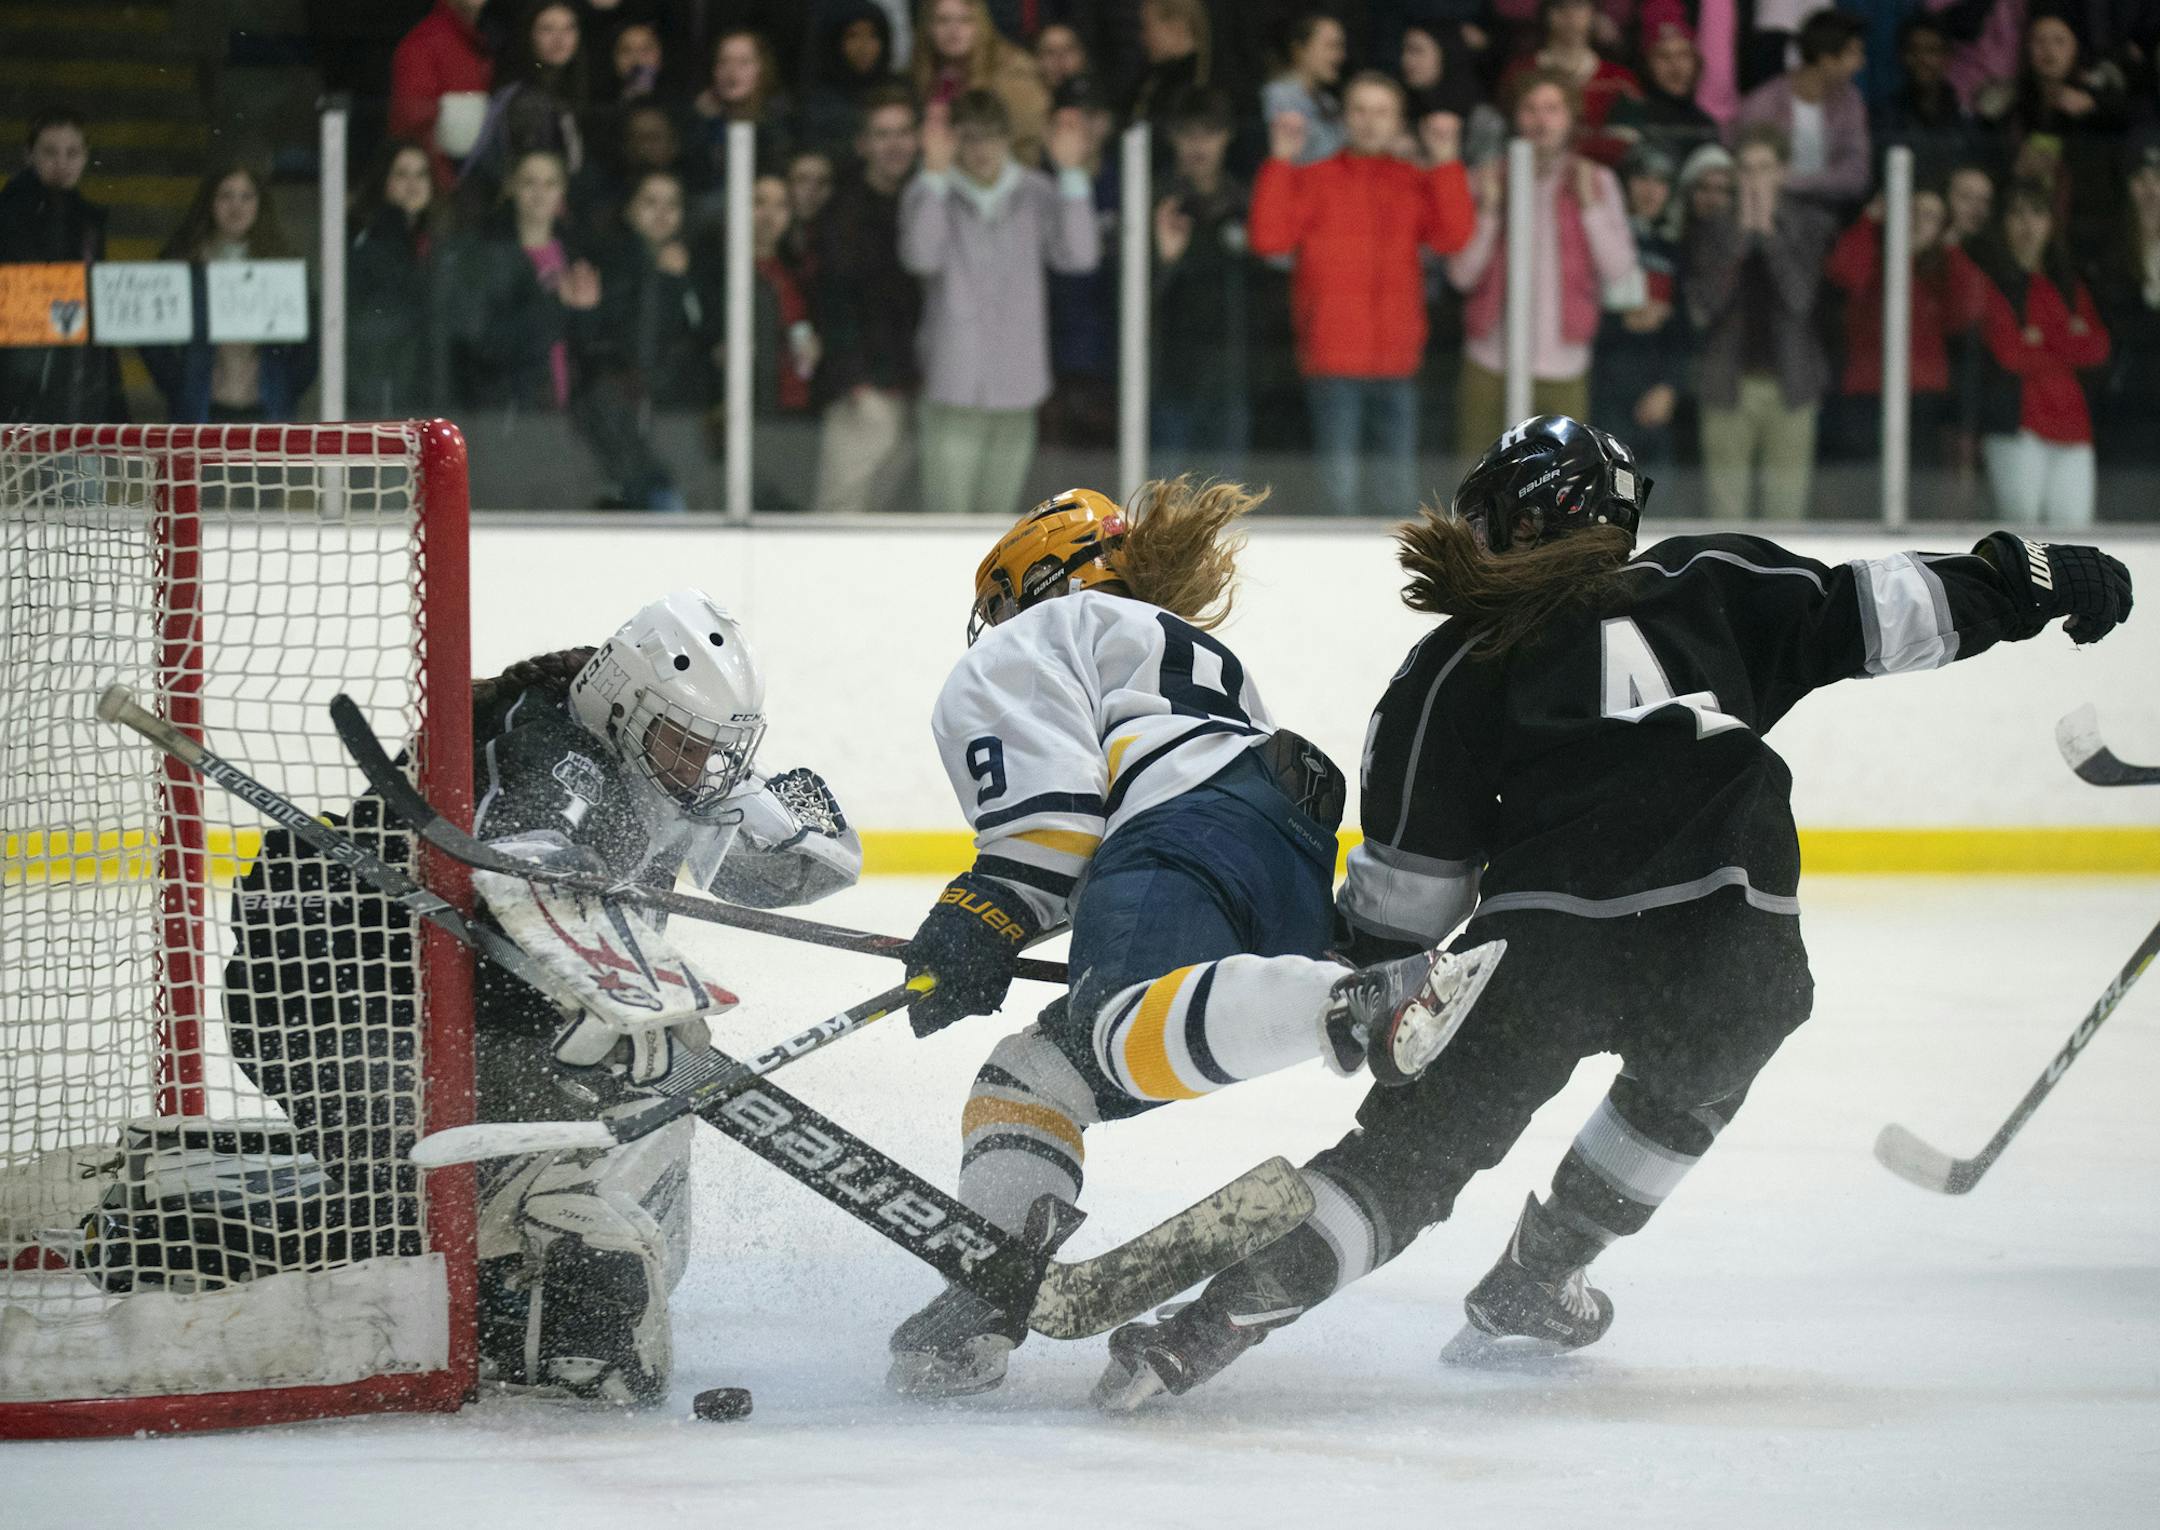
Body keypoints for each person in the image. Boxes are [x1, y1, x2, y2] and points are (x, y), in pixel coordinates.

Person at [1089, 413, 2135, 1410]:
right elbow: (1889, 608)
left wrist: (1341, 971)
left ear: (1498, 521)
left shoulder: (1451, 667)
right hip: (1734, 937)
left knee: (1406, 1166)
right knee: (1690, 1085)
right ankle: (1542, 1275)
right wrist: (2028, 578)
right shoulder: (1711, 582)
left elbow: (1412, 903)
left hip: (1538, 953)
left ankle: (1200, 1330)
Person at [883, 484, 1506, 1399]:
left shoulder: (1029, 642)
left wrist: (982, 915)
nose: (999, 621)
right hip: (1279, 846)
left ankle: (1352, 1003)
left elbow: (1052, 823)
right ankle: (985, 1292)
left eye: (1003, 600)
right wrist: (1010, 918)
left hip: (1181, 829)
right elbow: (1114, 832)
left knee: (1111, 1025)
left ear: (1041, 583)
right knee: (1033, 1076)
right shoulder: (1184, 647)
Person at [225, 591, 862, 1405]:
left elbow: (823, 864)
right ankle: (501, 1291)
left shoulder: (651, 758)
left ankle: (535, 1286)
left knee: (617, 1114)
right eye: (686, 746)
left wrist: (755, 809)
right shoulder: (554, 750)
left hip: (435, 1005)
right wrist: (600, 992)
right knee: (406, 1241)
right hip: (330, 1001)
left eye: (715, 752)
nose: (700, 767)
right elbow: (535, 860)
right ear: (623, 704)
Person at [1249, 71, 1475, 515]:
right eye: (1360, 110)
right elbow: (1269, 239)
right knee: (1339, 492)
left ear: (1398, 121)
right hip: (1333, 355)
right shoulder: (1315, 179)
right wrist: (1280, 159)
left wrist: (1447, 161)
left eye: (1382, 112)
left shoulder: (1411, 179)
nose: (1370, 122)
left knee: (1397, 491)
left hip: (1396, 356)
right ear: (1343, 118)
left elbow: (1452, 236)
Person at [899, 89, 1099, 516]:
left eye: (990, 136)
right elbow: (920, 256)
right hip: (952, 381)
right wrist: (934, 175)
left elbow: (1080, 256)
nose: (981, 149)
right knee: (946, 514)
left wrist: (1072, 176)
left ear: (1008, 139)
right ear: (952, 140)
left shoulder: (1037, 191)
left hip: (1018, 382)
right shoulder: (929, 191)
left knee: (999, 517)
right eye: (969, 138)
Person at [1450, 71, 1639, 452]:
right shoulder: (1487, 178)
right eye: (1530, 109)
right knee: (1476, 483)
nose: (1541, 120)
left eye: (1553, 109)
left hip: (1564, 365)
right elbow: (1461, 275)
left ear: (1571, 118)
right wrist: (1488, 212)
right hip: (1491, 360)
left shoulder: (1596, 179)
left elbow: (1619, 271)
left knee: (1559, 491)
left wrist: (1590, 207)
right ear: (1515, 118)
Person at [1685, 122, 1839, 520]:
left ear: (1783, 172)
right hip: (1727, 383)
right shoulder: (1716, 227)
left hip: (1792, 384)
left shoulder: (1809, 224)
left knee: (1786, 511)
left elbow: (1801, 299)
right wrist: (1740, 238)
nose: (1755, 178)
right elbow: (1706, 306)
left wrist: (1768, 235)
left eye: (1765, 167)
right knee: (1725, 511)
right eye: (1747, 168)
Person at [1823, 185, 1989, 484]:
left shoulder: (1943, 268)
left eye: (1930, 217)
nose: (1917, 222)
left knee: (1920, 484)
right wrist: (1870, 220)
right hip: (1867, 390)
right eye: (1912, 212)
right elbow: (1843, 273)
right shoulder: (1872, 256)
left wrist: (1950, 249)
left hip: (1923, 394)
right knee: (1862, 484)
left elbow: (1968, 312)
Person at [1968, 177, 2109, 526]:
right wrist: (2065, 337)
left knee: (2076, 532)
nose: (2028, 224)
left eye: (2037, 213)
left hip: (2073, 424)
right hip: (2017, 424)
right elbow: (2010, 352)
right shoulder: (1991, 280)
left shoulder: (2068, 283)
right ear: (2003, 224)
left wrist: (2041, 337)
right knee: (2021, 532)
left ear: (2050, 224)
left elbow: (2096, 349)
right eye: (2017, 214)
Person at [812, 87, 923, 514]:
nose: (894, 145)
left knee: (886, 513)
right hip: (864, 393)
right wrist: (853, 379)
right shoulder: (842, 212)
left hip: (912, 387)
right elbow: (832, 301)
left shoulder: (925, 201)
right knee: (842, 506)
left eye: (902, 133)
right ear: (863, 144)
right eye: (881, 134)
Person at [145, 164, 316, 425]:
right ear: (209, 202)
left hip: (266, 406)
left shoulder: (282, 265)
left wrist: (286, 384)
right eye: (226, 195)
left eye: (246, 196)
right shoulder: (185, 263)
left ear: (260, 204)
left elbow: (310, 340)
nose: (236, 206)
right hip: (202, 406)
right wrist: (179, 382)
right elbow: (151, 333)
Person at [446, 148, 602, 412]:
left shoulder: (577, 254)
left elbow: (587, 341)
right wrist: (557, 303)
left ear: (562, 191)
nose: (540, 193)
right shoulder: (487, 254)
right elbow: (488, 341)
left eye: (550, 183)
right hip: (511, 407)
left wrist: (586, 312)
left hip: (568, 409)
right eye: (529, 182)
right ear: (512, 188)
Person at [1150, 86, 1252, 474]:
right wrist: (1163, 260)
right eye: (1187, 133)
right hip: (1168, 376)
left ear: (1226, 136)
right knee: (1164, 504)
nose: (1198, 144)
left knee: (1226, 502)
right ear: (1172, 137)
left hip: (1231, 375)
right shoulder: (1155, 198)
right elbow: (1129, 300)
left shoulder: (1244, 202)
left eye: (1208, 132)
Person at [0, 108, 123, 425]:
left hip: (77, 385)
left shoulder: (88, 222)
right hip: (19, 388)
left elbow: (96, 310)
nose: (62, 163)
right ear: (30, 155)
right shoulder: (8, 217)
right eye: (50, 152)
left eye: (72, 152)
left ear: (85, 156)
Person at [1972, 11, 2128, 256]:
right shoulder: (2010, 105)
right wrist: (2015, 166)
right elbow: (1986, 161)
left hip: (2084, 236)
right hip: (2017, 232)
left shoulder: (2098, 105)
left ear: (2075, 48)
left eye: (2059, 41)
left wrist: (2093, 106)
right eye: (2039, 41)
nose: (2049, 50)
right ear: (2027, 49)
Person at [1590, 142, 1687, 469]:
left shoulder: (1673, 250)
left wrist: (1669, 386)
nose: (1651, 191)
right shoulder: (1599, 243)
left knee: (1659, 503)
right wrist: (1622, 323)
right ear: (1624, 184)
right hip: (1603, 391)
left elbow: (1684, 328)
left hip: (1655, 393)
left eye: (1661, 182)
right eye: (1642, 179)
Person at [1732, 7, 1873, 212]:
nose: (1861, 63)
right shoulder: (1762, 104)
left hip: (1834, 210)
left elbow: (1857, 174)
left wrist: (1793, 181)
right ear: (1827, 59)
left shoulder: (1850, 101)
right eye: (1853, 53)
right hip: (1773, 210)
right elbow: (1751, 175)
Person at [348, 139, 447, 418]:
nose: (412, 184)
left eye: (420, 174)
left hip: (433, 383)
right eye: (401, 174)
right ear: (384, 182)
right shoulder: (366, 241)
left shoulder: (444, 241)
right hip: (387, 389)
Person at [462, 0, 591, 205]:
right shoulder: (526, 98)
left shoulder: (567, 89)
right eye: (547, 29)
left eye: (569, 28)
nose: (560, 39)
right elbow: (533, 173)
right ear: (529, 36)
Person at [2092, 143, 2160, 504]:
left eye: (2158, 179)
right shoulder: (2111, 249)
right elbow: (2115, 323)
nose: (2151, 190)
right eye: (2141, 180)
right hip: (2129, 401)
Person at [1496, 0, 1642, 163]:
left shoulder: (1619, 80)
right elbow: (1506, 134)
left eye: (1579, 6)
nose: (1570, 15)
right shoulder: (1519, 73)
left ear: (1593, 13)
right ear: (1546, 13)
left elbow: (1630, 144)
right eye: (1560, 6)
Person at [913, 0, 1052, 164]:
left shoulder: (1013, 72)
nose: (953, 29)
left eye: (965, 20)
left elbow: (1027, 145)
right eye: (943, 20)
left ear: (982, 25)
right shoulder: (921, 73)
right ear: (928, 27)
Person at [389, 0, 495, 188]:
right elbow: (415, 126)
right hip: (446, 191)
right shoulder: (423, 44)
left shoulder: (483, 41)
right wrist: (446, 187)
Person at [1606, 18, 1720, 165]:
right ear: (1647, 65)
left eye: (1683, 55)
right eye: (1664, 57)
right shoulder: (1629, 115)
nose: (1676, 66)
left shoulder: (1705, 125)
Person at [798, 1, 899, 154]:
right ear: (834, 41)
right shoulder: (815, 105)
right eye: (853, 36)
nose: (863, 46)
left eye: (873, 35)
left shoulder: (899, 93)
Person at [1260, 11, 1349, 165]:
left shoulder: (1328, 102)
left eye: (1340, 47)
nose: (1340, 56)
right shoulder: (1277, 96)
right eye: (1331, 46)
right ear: (1299, 50)